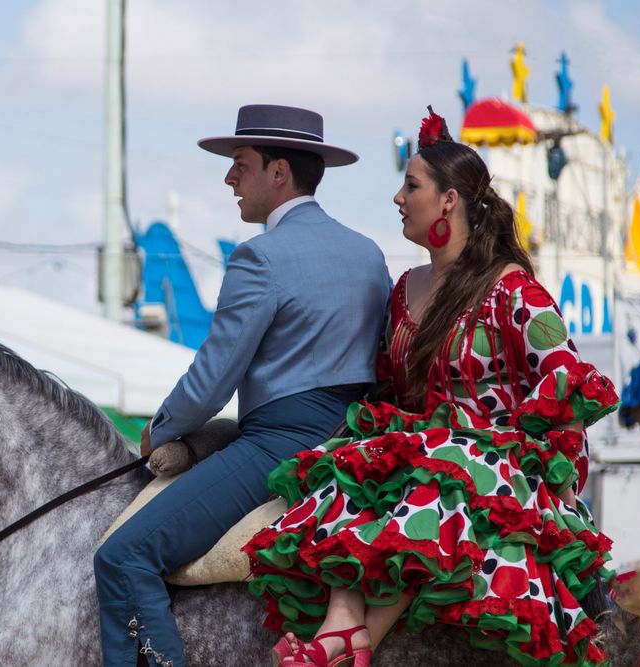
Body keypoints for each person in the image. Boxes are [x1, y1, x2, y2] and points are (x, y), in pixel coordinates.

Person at [244, 108, 618, 667]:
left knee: (443, 463)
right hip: (425, 455)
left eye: (410, 185)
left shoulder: (514, 292)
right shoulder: (402, 292)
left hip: (500, 476)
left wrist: (564, 492)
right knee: (358, 453)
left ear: (449, 200)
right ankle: (343, 625)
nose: (397, 198)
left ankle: (347, 641)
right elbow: (390, 396)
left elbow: (566, 390)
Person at [94, 104, 391, 666]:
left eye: (241, 164)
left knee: (124, 556)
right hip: (357, 439)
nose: (230, 177)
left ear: (279, 172)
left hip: (281, 442)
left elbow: (212, 381)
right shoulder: (368, 253)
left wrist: (161, 431)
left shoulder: (261, 257)